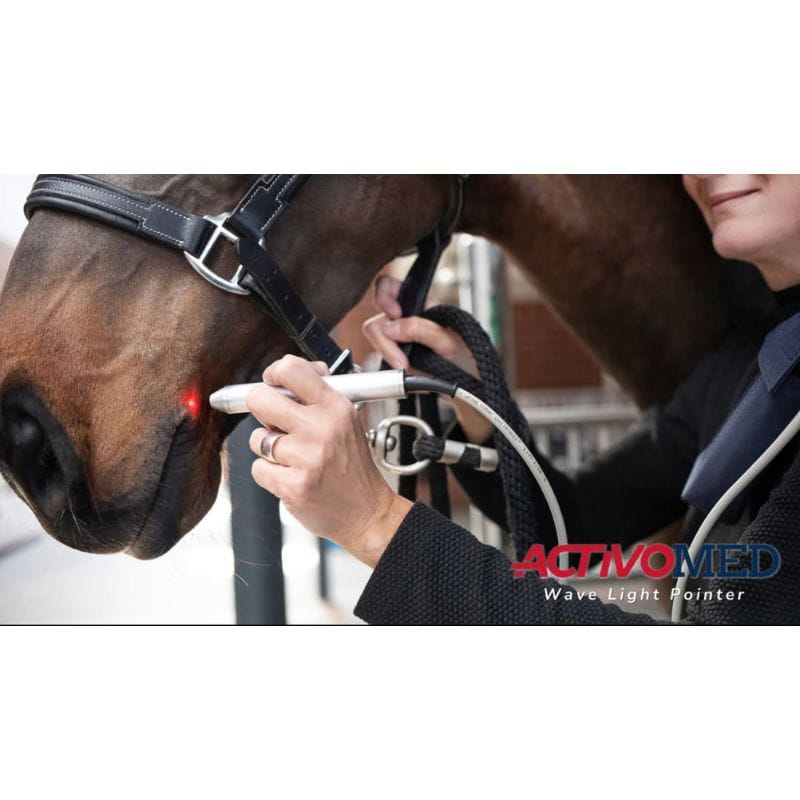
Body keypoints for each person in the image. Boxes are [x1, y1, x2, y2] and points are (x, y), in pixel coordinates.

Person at [245, 174, 800, 624]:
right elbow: (572, 524)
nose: (704, 169)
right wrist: (475, 396)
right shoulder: (747, 359)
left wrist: (374, 523)